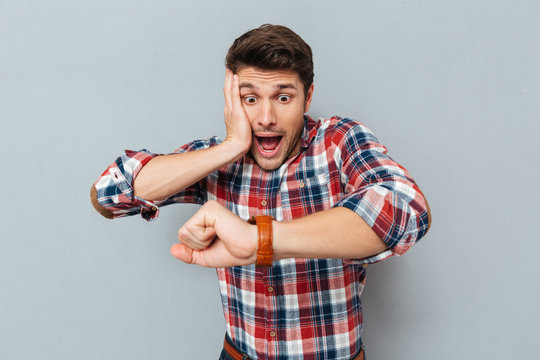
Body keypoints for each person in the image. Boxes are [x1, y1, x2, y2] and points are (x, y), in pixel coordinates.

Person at [90, 24, 431, 360]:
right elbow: (109, 194)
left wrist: (259, 241)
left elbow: (406, 208)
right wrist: (231, 146)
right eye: (249, 99)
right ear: (232, 102)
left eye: (283, 97)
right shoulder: (216, 156)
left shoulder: (339, 141)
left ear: (307, 97)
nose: (266, 117)